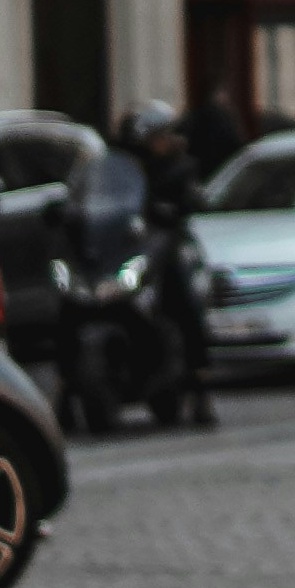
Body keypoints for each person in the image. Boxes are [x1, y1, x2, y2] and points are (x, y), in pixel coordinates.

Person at [114, 101, 218, 427]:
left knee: (184, 301)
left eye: (165, 135)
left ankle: (199, 384)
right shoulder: (119, 165)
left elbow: (193, 196)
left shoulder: (179, 166)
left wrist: (179, 206)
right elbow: (96, 195)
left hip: (165, 246)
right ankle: (67, 387)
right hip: (124, 248)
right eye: (158, 135)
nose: (163, 141)